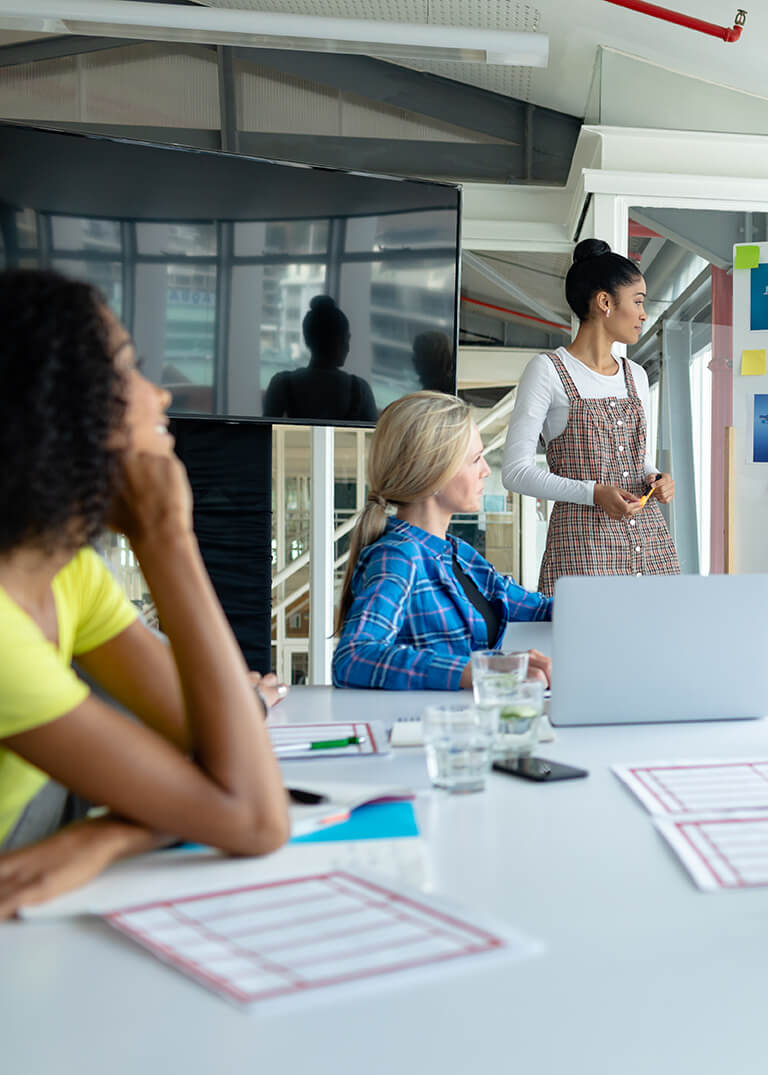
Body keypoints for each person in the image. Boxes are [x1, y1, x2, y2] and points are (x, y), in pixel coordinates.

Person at [0, 269, 289, 916]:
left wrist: (104, 836)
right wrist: (166, 536)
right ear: (60, 405)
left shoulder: (69, 573)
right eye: (129, 368)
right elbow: (254, 816)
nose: (159, 394)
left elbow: (225, 757)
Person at [333, 391, 553, 690]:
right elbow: (354, 656)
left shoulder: (459, 555)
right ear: (435, 473)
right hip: (430, 730)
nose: (486, 471)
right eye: (476, 459)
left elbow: (538, 609)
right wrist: (483, 670)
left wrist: (619, 602)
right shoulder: (398, 556)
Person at [502, 239, 680, 593]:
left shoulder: (637, 375)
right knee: (584, 645)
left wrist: (657, 478)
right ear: (605, 303)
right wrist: (594, 493)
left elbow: (639, 462)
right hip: (581, 549)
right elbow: (515, 473)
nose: (644, 314)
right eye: (638, 301)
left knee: (660, 643)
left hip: (649, 545)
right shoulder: (548, 370)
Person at [263, 295, 379, 423]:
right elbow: (375, 440)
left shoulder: (281, 384)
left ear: (307, 340)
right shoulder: (360, 390)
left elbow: (264, 436)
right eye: (347, 340)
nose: (348, 348)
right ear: (339, 341)